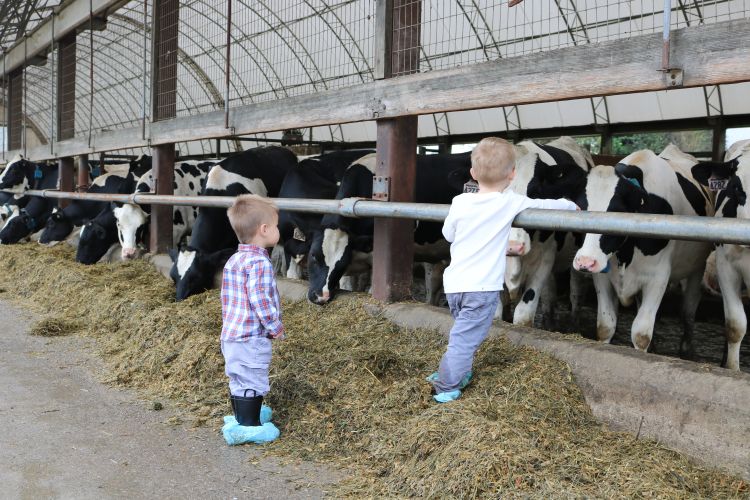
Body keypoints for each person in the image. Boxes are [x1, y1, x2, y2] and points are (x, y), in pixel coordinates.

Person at [427, 137, 580, 403]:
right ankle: (447, 385)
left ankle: (455, 372)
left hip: (454, 286)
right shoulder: (511, 202)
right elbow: (546, 205)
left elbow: (448, 234)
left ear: (473, 174)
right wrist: (571, 205)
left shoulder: (461, 201)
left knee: (463, 333)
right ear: (512, 174)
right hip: (481, 289)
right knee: (464, 339)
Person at [220, 194, 284, 444]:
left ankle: (241, 415)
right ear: (264, 230)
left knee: (238, 375)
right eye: (276, 225)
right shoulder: (260, 263)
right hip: (251, 337)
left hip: (231, 335)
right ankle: (248, 426)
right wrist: (274, 326)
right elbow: (260, 300)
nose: (278, 230)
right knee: (253, 378)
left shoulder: (235, 259)